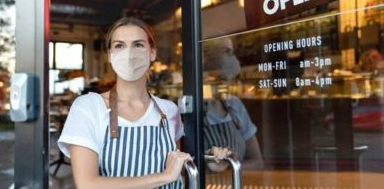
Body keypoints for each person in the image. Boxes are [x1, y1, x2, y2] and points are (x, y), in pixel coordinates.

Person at [57, 18, 228, 188]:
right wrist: (164, 177)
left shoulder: (168, 110)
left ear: (152, 52)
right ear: (110, 55)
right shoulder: (89, 107)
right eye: (119, 45)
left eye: (138, 45)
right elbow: (88, 184)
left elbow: (177, 167)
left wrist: (211, 160)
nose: (129, 54)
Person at [203, 37, 264, 171]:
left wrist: (228, 168)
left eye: (227, 80)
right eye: (219, 79)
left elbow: (257, 162)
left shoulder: (234, 105)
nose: (224, 86)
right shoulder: (188, 109)